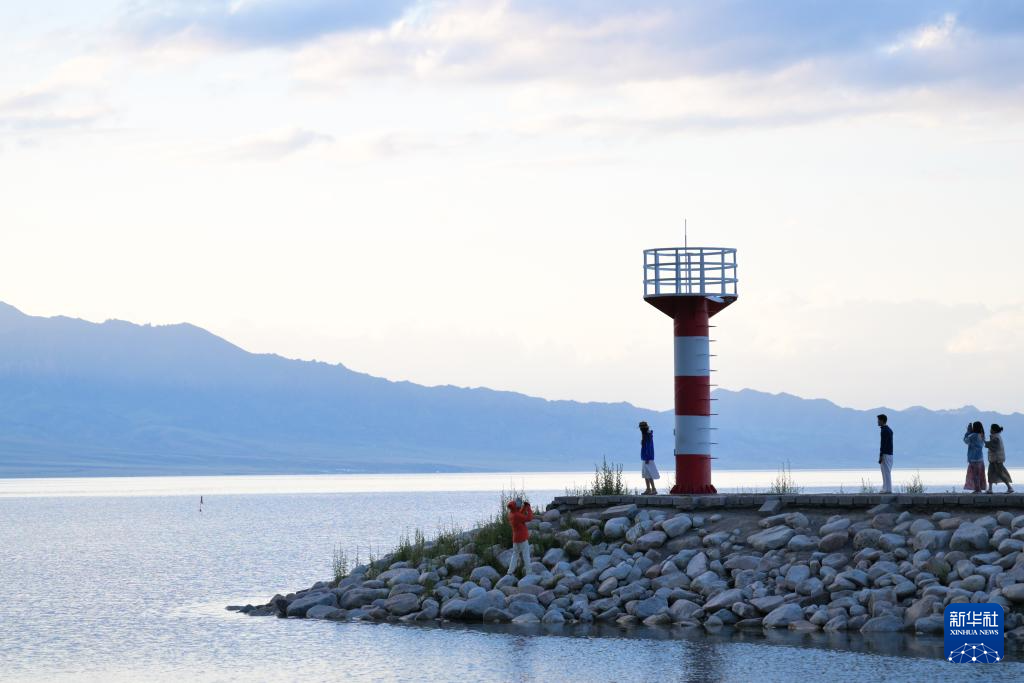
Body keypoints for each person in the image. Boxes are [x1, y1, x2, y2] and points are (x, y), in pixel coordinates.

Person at [505, 496, 533, 577]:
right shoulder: (517, 515)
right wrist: (528, 508)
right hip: (523, 539)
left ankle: (510, 572)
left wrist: (524, 507)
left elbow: (520, 514)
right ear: (516, 506)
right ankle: (529, 572)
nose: (519, 506)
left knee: (515, 555)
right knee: (526, 555)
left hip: (515, 539)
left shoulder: (511, 514)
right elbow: (529, 518)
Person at [986, 424, 1014, 494]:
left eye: (991, 429)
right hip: (993, 459)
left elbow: (993, 447)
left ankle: (1010, 488)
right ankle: (990, 489)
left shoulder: (996, 437)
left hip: (997, 459)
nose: (990, 430)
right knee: (990, 473)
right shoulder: (995, 436)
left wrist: (985, 443)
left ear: (994, 430)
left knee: (1000, 473)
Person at [963, 421, 987, 493]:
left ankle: (978, 489)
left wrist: (968, 432)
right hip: (980, 457)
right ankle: (978, 489)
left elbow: (965, 441)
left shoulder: (973, 435)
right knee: (979, 474)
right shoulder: (982, 435)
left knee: (975, 474)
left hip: (973, 458)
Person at [639, 421, 660, 495]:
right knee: (645, 474)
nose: (640, 428)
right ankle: (648, 489)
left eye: (641, 427)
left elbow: (649, 447)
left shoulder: (647, 435)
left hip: (648, 458)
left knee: (649, 474)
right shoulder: (645, 434)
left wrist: (647, 457)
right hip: (645, 457)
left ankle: (653, 489)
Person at [877, 414, 893, 494]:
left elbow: (883, 444)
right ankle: (885, 488)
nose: (877, 422)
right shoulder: (889, 429)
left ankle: (887, 489)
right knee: (886, 471)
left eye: (878, 420)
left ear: (882, 420)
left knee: (885, 471)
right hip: (889, 453)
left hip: (885, 453)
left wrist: (881, 455)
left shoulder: (884, 431)